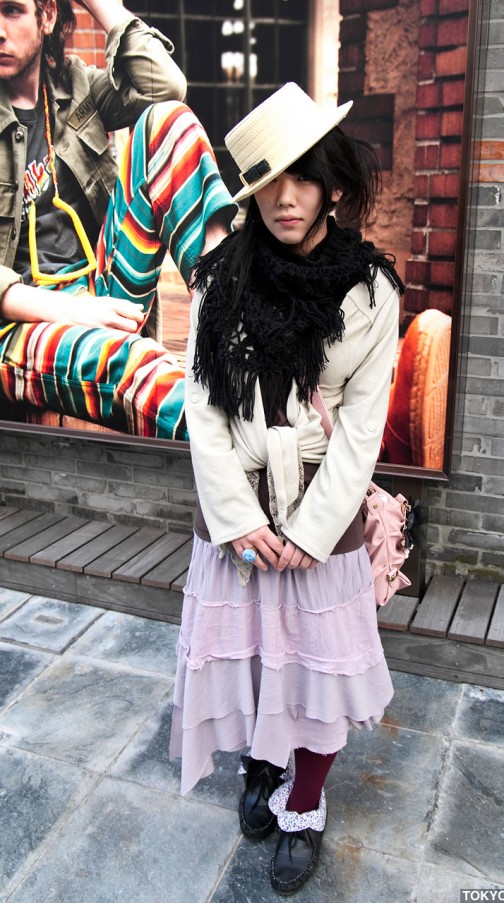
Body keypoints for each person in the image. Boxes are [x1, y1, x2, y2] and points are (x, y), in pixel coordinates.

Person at [169, 83, 403, 895]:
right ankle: (261, 765)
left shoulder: (372, 291)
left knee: (317, 665)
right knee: (254, 657)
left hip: (319, 511)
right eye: (269, 182)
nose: (287, 198)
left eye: (304, 177)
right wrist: (235, 518)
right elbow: (200, 406)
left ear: (332, 182)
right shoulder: (218, 281)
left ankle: (306, 801)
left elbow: (365, 426)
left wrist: (310, 531)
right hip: (235, 509)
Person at [0, 0, 235, 438]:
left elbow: (165, 86)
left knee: (170, 122)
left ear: (46, 16)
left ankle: (235, 320)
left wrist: (100, 4)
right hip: (20, 327)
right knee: (138, 370)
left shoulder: (73, 87)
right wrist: (78, 312)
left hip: (100, 290)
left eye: (12, 10)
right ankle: (256, 455)